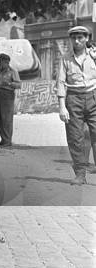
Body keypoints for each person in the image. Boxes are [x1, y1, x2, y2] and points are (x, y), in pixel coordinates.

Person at [56, 25, 96, 185]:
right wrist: (62, 107)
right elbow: (60, 82)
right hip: (73, 99)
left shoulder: (93, 56)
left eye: (80, 37)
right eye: (74, 38)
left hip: (94, 97)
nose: (77, 41)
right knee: (75, 138)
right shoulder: (65, 59)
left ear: (87, 39)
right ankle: (80, 174)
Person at [0, 53, 20, 147]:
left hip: (8, 95)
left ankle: (7, 140)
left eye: (1, 62)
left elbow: (18, 85)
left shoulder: (12, 71)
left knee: (7, 119)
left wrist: (8, 83)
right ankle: (3, 139)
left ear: (6, 62)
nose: (0, 64)